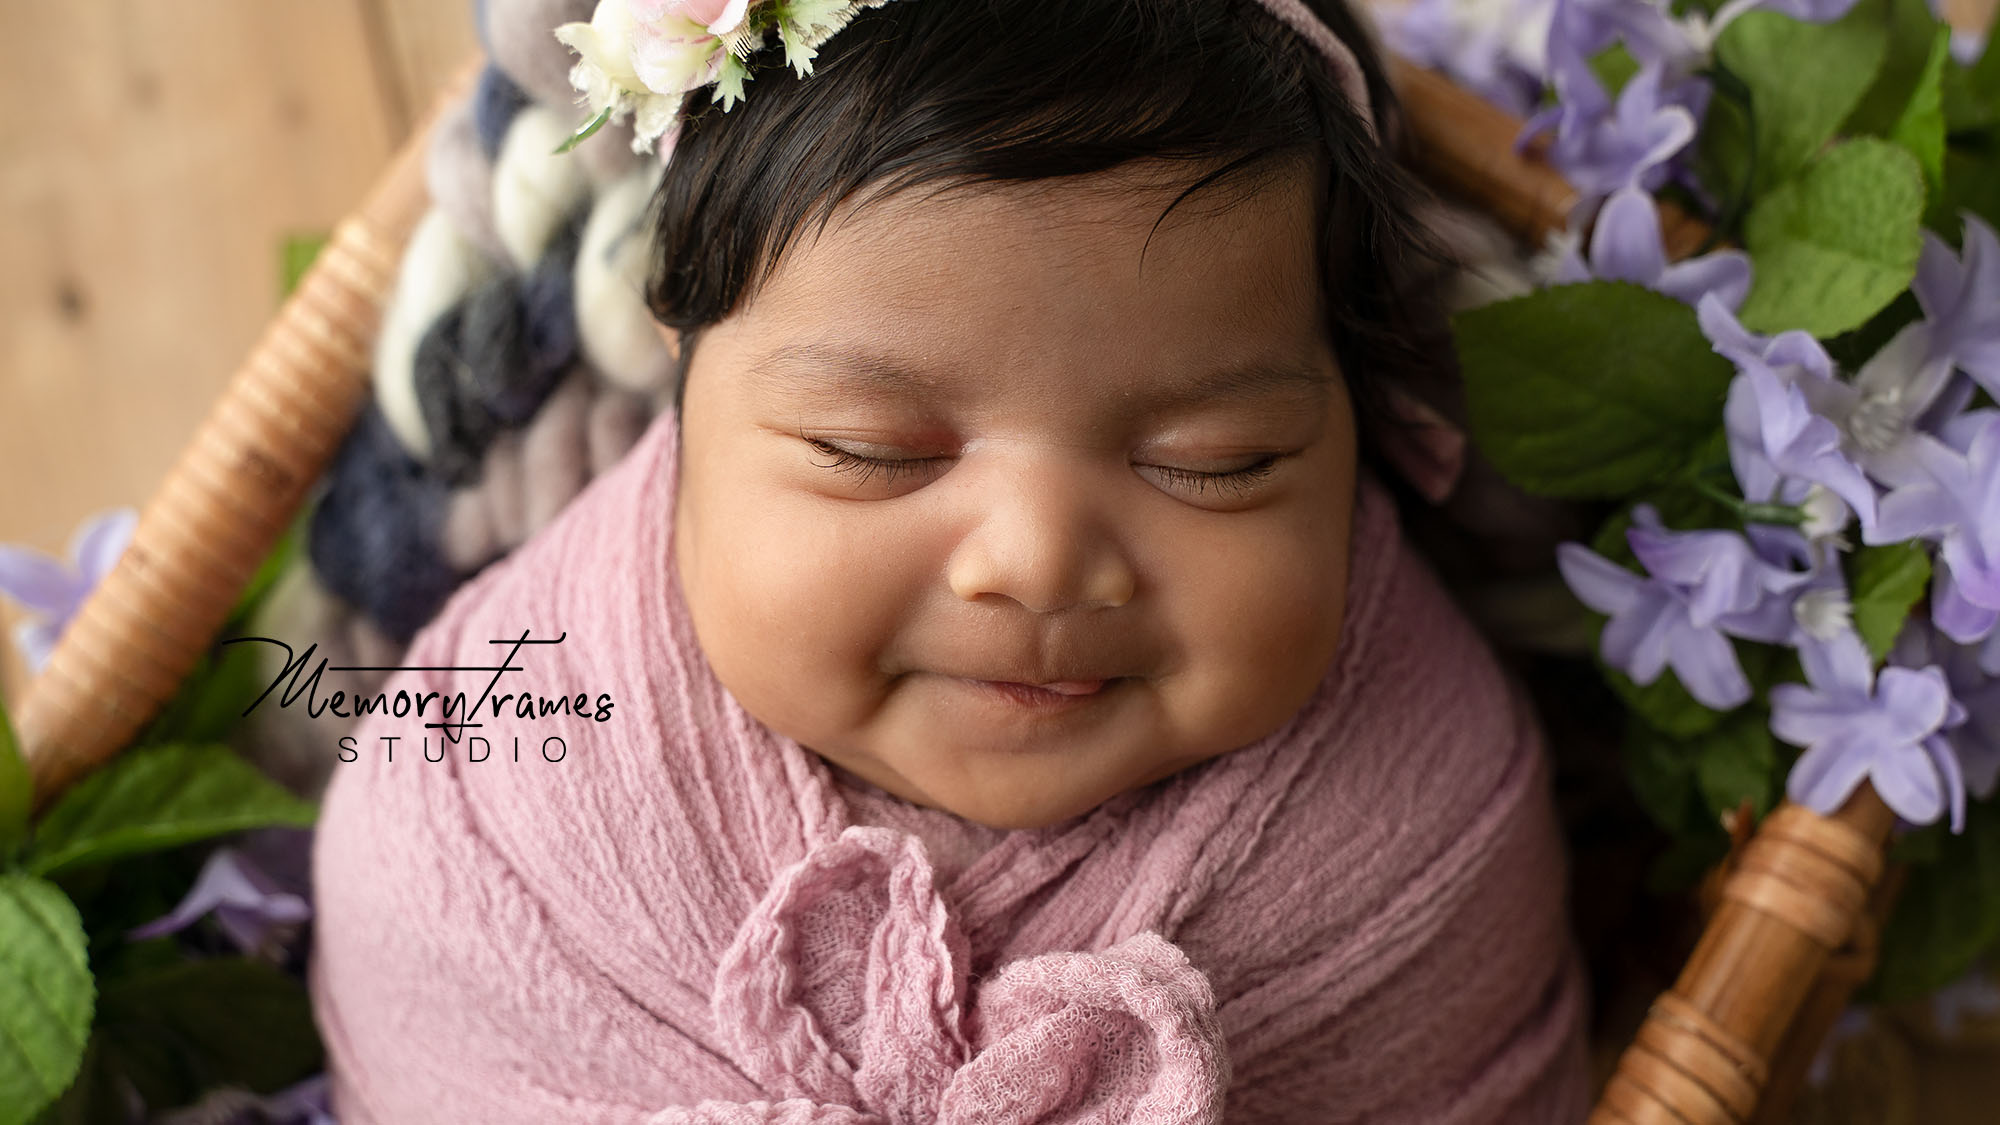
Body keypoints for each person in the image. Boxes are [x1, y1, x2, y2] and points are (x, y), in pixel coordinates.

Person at [308, 1, 1592, 1120]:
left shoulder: (1423, 830)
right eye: (869, 450)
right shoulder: (492, 782)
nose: (1035, 562)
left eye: (1215, 460)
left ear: (1360, 420)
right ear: (678, 370)